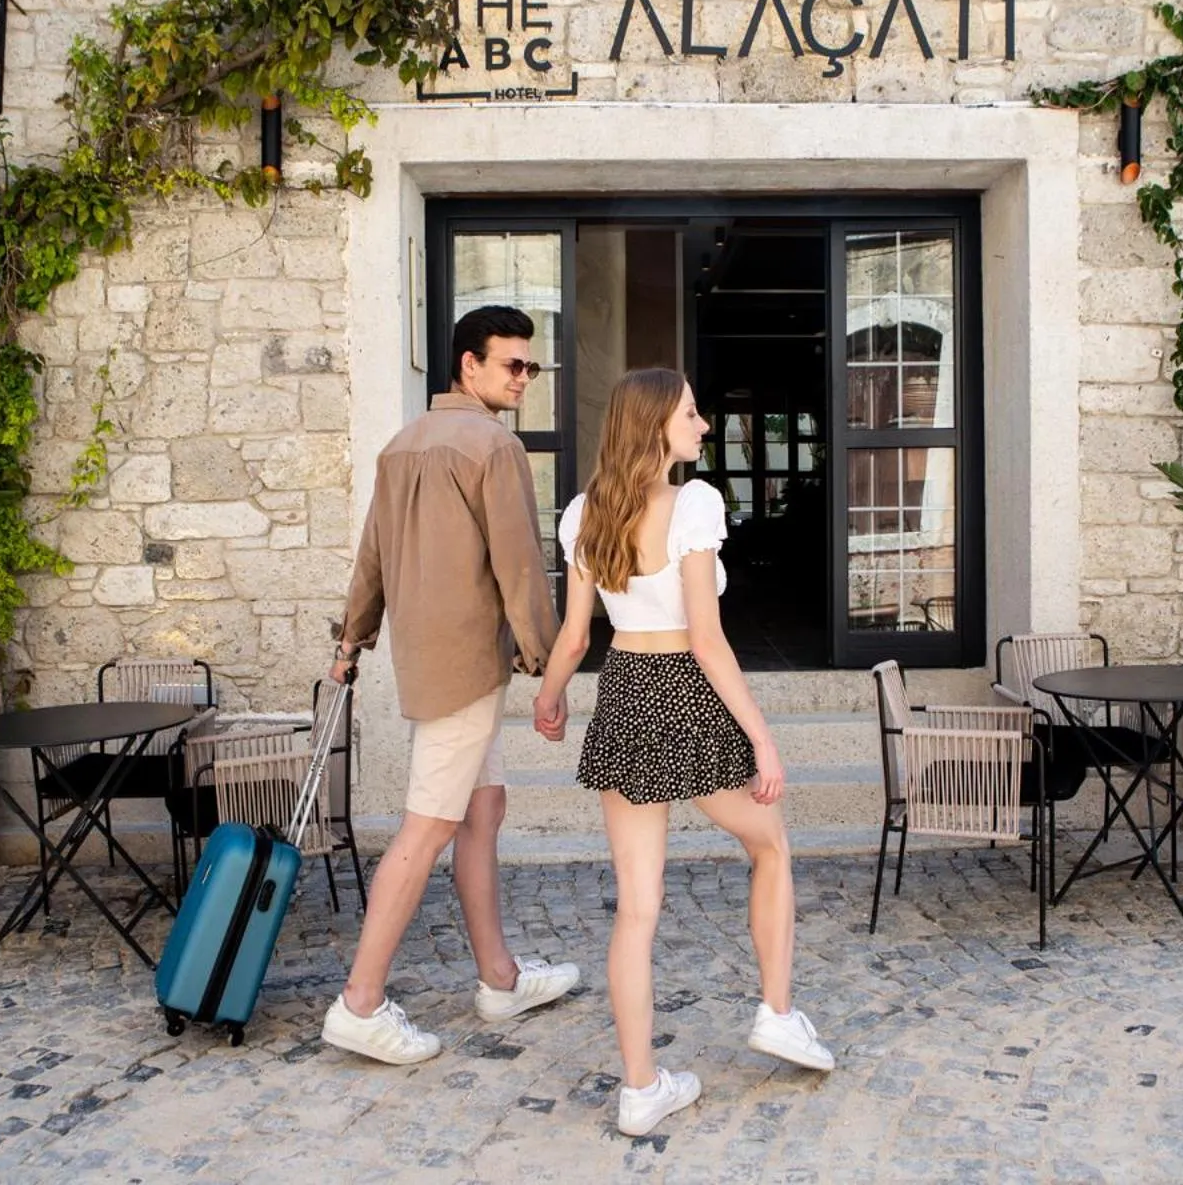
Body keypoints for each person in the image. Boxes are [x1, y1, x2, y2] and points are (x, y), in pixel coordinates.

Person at [534, 367, 834, 1138]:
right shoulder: (695, 505)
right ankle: (776, 1011)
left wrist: (550, 693)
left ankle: (640, 1089)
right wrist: (762, 738)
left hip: (627, 687)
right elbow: (707, 639)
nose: (703, 426)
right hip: (685, 691)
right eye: (692, 414)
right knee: (770, 844)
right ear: (655, 426)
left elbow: (575, 636)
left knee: (636, 907)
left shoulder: (582, 512)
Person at [318, 305, 580, 1065]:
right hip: (467, 663)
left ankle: (500, 978)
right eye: (512, 365)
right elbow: (519, 563)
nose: (524, 379)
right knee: (428, 825)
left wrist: (352, 640)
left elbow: (370, 556)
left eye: (530, 366)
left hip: (428, 660)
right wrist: (545, 662)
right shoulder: (493, 446)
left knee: (482, 806)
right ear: (468, 365)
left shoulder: (402, 445)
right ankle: (360, 1002)